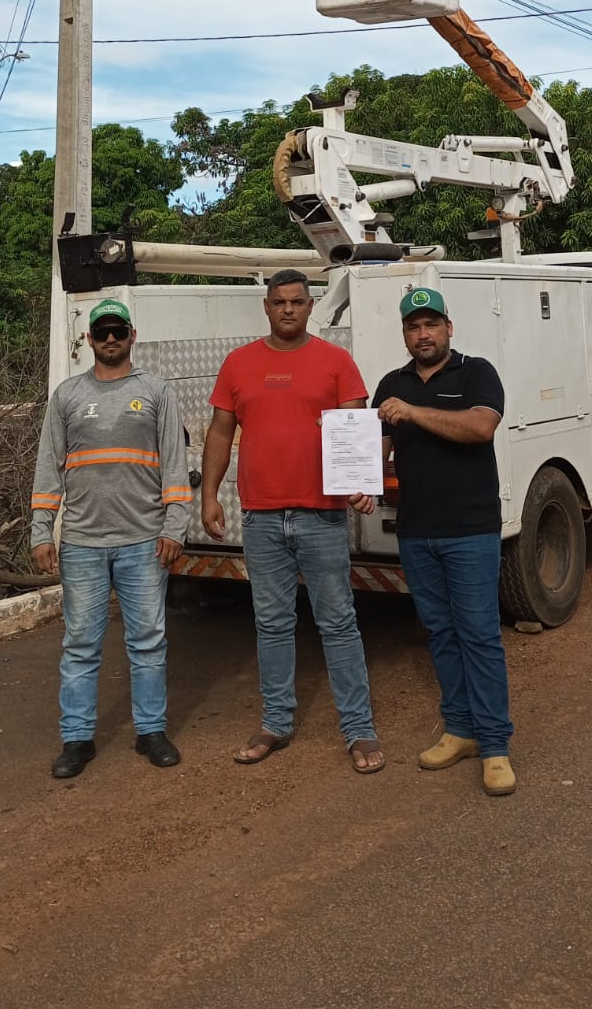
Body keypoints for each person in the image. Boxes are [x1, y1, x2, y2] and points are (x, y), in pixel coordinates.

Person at [201, 269, 385, 774]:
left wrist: (360, 485)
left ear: (310, 306)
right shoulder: (238, 364)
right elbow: (219, 432)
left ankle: (359, 728)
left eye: (298, 301)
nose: (288, 309)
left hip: (321, 518)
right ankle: (276, 723)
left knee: (338, 622)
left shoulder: (335, 362)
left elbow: (355, 430)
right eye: (279, 301)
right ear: (266, 307)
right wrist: (209, 496)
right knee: (273, 624)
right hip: (260, 518)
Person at [29, 298, 191, 779]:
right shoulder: (67, 397)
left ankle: (151, 731)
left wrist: (175, 526)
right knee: (80, 644)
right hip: (81, 542)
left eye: (118, 331)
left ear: (131, 336)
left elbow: (175, 466)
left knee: (147, 641)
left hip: (144, 540)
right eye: (102, 332)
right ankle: (76, 739)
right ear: (90, 340)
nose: (111, 339)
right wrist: (42, 531)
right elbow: (48, 468)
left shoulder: (157, 392)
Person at [370, 287, 516, 796]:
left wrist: (412, 413)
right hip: (416, 531)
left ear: (449, 328)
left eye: (431, 324)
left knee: (478, 635)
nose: (423, 333)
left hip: (471, 529)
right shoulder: (391, 384)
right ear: (405, 333)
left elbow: (480, 428)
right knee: (441, 633)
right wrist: (357, 480)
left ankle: (496, 746)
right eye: (413, 326)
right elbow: (376, 451)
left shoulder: (477, 373)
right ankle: (461, 730)